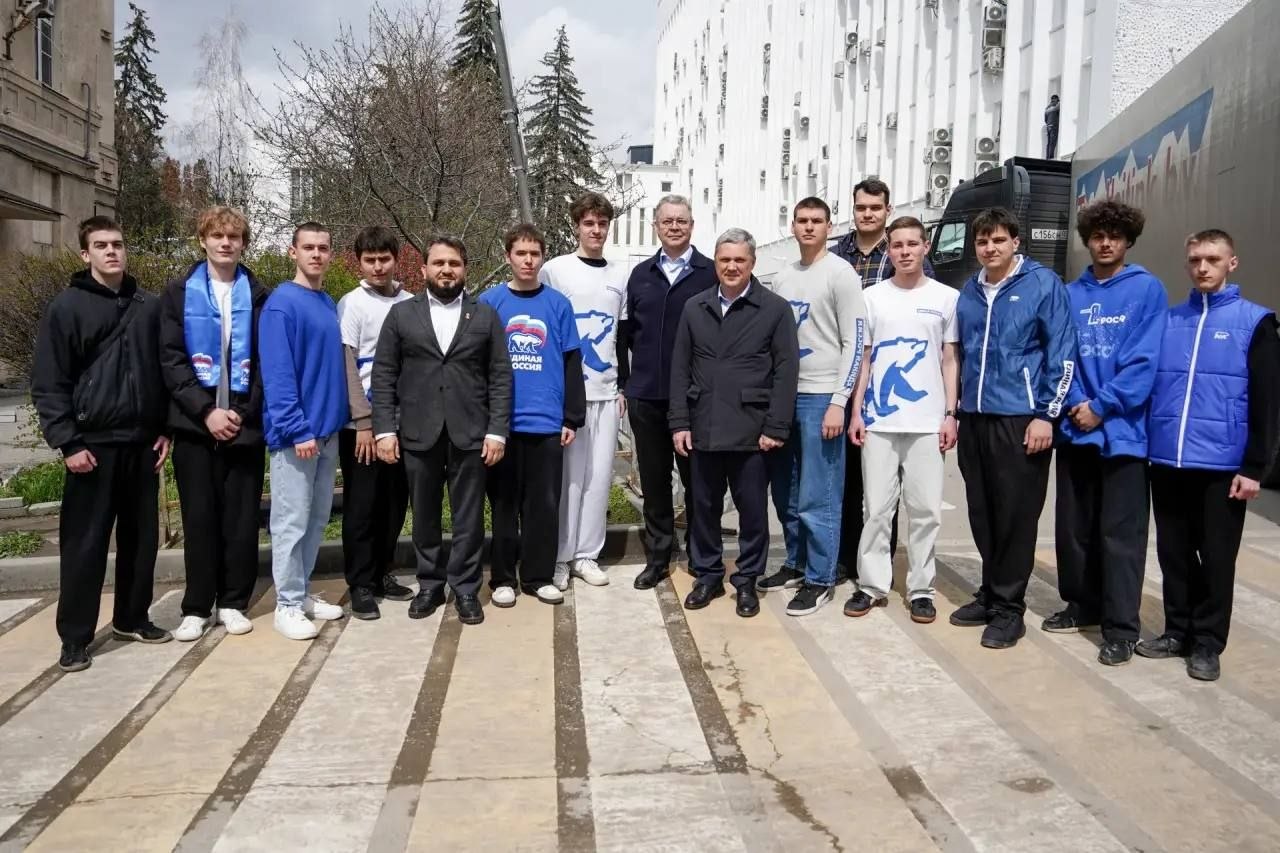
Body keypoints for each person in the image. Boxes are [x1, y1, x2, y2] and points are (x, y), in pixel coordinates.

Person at [1137, 229, 1279, 681]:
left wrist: (1255, 467)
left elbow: (1268, 403)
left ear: (1231, 263)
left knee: (1217, 559)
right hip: (1168, 460)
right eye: (1196, 259)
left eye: (1213, 259)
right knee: (1174, 554)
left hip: (1223, 467)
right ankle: (1177, 631)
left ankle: (1207, 643)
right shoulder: (1169, 321)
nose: (1203, 267)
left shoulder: (1255, 323)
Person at [32, 216, 172, 672]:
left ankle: (132, 618)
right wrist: (68, 443)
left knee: (142, 542)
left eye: (117, 244)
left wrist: (164, 429)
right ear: (85, 254)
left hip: (142, 445)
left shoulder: (148, 306)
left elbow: (163, 373)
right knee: (85, 547)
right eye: (101, 245)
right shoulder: (66, 307)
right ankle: (75, 637)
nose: (111, 251)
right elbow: (49, 383)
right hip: (91, 447)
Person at [1045, 201, 1168, 666]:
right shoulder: (1070, 293)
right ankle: (1082, 605)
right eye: (1098, 235)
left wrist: (1101, 406)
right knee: (1074, 530)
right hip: (1076, 429)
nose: (1105, 243)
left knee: (1121, 537)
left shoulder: (1147, 289)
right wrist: (1078, 403)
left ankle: (1120, 628)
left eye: (1114, 235)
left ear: (1128, 240)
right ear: (1088, 239)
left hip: (1124, 434)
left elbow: (1145, 361)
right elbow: (1061, 355)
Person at [950, 207, 1076, 650]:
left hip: (1021, 418)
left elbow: (1062, 353)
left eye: (998, 240)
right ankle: (990, 591)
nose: (990, 248)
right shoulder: (969, 290)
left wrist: (1047, 414)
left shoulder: (1042, 284)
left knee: (1015, 517)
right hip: (975, 417)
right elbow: (960, 354)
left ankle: (1009, 609)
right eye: (983, 241)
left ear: (1016, 242)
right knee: (982, 513)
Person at [372, 236, 511, 625]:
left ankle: (465, 588)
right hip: (419, 432)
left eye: (454, 263)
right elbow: (384, 375)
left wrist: (497, 431)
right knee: (425, 516)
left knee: (469, 518)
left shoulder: (485, 316)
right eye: (439, 263)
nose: (446, 270)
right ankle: (430, 584)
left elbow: (500, 376)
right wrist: (384, 430)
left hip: (471, 433)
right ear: (424, 269)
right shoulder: (402, 315)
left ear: (465, 269)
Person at [670, 228, 798, 618]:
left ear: (752, 263)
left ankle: (746, 581)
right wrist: (679, 422)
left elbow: (786, 371)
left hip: (752, 431)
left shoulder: (775, 309)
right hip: (704, 425)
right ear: (715, 262)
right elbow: (680, 369)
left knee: (753, 513)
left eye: (739, 260)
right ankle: (708, 575)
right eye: (724, 259)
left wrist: (776, 427)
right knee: (703, 508)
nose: (731, 267)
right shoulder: (695, 307)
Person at [160, 206, 269, 642]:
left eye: (234, 237)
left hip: (244, 425)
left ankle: (234, 601)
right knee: (200, 518)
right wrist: (206, 411)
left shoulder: (258, 295)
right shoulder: (178, 292)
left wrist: (241, 412)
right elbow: (171, 359)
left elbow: (266, 361)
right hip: (195, 426)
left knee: (241, 520)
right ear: (202, 240)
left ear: (243, 244)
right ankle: (196, 606)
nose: (226, 243)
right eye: (217, 236)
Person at [845, 216, 959, 625]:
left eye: (913, 244)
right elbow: (865, 359)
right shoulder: (872, 297)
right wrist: (856, 411)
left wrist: (950, 413)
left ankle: (921, 589)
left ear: (926, 247)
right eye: (897, 245)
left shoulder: (947, 298)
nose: (905, 251)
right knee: (876, 509)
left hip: (928, 422)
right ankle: (872, 585)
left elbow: (950, 359)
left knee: (925, 510)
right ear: (889, 250)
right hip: (879, 421)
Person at [761, 197, 865, 617]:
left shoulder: (841, 274)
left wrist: (840, 400)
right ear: (792, 225)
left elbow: (854, 341)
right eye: (802, 220)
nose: (808, 227)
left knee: (818, 494)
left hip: (822, 396)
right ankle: (796, 562)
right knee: (786, 490)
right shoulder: (783, 276)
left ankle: (820, 578)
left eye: (816, 221)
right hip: (786, 395)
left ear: (829, 226)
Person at [831, 179, 933, 580]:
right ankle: (846, 559)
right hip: (843, 376)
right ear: (853, 209)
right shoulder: (838, 255)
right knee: (848, 482)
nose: (868, 214)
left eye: (875, 207)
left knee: (886, 491)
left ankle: (881, 563)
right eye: (861, 207)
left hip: (888, 384)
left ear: (887, 210)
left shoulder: (903, 253)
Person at [480, 224, 586, 606]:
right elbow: (477, 364)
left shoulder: (558, 305)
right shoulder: (490, 302)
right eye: (520, 253)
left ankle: (538, 576)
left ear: (542, 257)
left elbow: (572, 362)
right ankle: (503, 578)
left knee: (543, 505)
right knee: (504, 504)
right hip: (503, 425)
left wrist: (571, 417)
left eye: (534, 254)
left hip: (546, 424)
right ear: (507, 256)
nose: (528, 260)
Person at [618, 195, 717, 590]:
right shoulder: (640, 275)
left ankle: (700, 555)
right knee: (655, 483)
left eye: (681, 221)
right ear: (655, 226)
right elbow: (625, 334)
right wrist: (627, 382)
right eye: (667, 221)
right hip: (647, 396)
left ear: (692, 225)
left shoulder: (710, 273)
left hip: (695, 398)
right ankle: (659, 557)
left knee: (699, 482)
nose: (674, 227)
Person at [259, 222, 349, 640]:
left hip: (326, 434)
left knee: (315, 520)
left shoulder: (326, 301)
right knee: (291, 521)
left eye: (323, 248)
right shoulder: (282, 304)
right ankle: (287, 604)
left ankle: (302, 591)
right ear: (292, 252)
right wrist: (297, 429)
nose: (316, 254)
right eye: (308, 247)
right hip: (298, 437)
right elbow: (278, 375)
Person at [540, 193, 627, 590]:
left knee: (598, 478)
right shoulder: (556, 270)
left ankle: (586, 555)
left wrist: (623, 385)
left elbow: (622, 334)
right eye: (589, 223)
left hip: (607, 392)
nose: (596, 230)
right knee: (568, 480)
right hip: (568, 394)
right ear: (576, 226)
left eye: (602, 223)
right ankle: (559, 556)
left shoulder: (620, 274)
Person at [337, 226, 415, 620]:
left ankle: (383, 571)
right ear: (360, 262)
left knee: (394, 503)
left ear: (395, 259)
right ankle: (361, 583)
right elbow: (348, 365)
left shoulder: (410, 302)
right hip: (363, 427)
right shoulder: (352, 304)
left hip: (402, 423)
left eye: (384, 259)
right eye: (370, 260)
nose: (378, 266)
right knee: (362, 507)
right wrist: (363, 422)